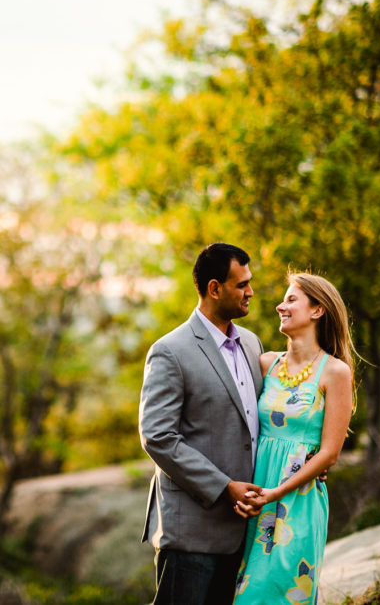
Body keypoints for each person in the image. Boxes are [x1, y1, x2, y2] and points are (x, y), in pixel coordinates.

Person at [138, 243, 265, 604]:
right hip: (190, 532)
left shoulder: (252, 344)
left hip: (244, 532)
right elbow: (157, 436)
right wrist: (225, 486)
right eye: (241, 285)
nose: (250, 292)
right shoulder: (170, 350)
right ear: (214, 288)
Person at [232, 272, 355, 604]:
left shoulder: (335, 372)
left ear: (317, 311)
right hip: (254, 497)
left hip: (296, 502)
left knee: (278, 593)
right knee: (242, 593)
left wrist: (275, 493)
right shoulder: (266, 364)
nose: (279, 306)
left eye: (291, 300)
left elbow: (329, 453)